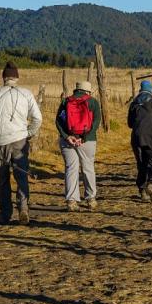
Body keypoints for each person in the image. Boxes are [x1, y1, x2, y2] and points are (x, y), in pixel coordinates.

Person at [0, 62, 43, 225]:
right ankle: (23, 209)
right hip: (20, 141)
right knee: (21, 175)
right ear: (16, 77)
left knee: (3, 179)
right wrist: (28, 133)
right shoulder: (26, 94)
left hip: (0, 142)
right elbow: (38, 119)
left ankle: (5, 213)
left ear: (4, 77)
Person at [57, 80, 102, 211]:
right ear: (88, 91)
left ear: (76, 90)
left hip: (68, 141)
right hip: (88, 140)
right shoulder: (92, 102)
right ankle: (91, 199)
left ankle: (71, 201)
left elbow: (58, 121)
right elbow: (96, 122)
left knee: (71, 169)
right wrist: (84, 138)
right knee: (88, 167)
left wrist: (67, 137)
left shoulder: (66, 101)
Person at [127, 79, 152, 202]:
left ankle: (142, 191)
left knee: (141, 164)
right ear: (150, 90)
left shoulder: (133, 103)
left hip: (137, 137)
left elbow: (130, 123)